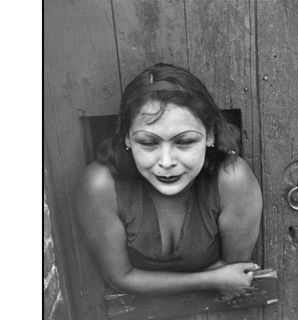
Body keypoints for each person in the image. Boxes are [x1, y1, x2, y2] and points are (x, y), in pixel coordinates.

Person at [75, 63, 263, 298]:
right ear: (126, 138)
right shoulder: (101, 186)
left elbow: (233, 268)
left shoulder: (231, 180)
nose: (166, 161)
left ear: (210, 135)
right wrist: (212, 280)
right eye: (148, 142)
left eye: (184, 142)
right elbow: (119, 277)